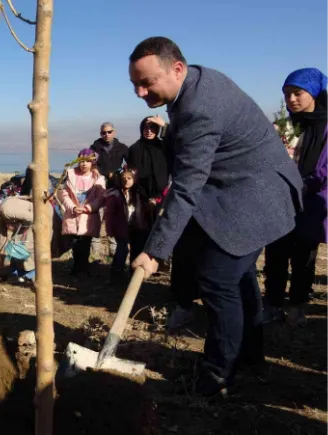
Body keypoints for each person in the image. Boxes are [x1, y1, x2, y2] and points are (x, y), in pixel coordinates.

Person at [128, 37, 302, 396]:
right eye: (135, 84)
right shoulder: (196, 80)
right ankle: (249, 357)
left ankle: (218, 373)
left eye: (147, 83)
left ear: (177, 68)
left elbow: (187, 187)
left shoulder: (199, 107)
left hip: (255, 195)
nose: (140, 93)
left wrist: (155, 250)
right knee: (238, 279)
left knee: (217, 278)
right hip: (241, 189)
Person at [263, 68, 328, 326]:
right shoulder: (284, 125)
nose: (291, 99)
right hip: (281, 200)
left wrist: (305, 185)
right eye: (287, 94)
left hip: (311, 201)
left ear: (313, 93)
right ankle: (273, 302)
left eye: (297, 93)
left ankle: (298, 303)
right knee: (275, 253)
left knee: (304, 256)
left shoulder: (324, 126)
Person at [59, 149, 106, 276]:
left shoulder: (98, 178)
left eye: (87, 161)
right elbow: (64, 194)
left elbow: (100, 197)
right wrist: (72, 207)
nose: (84, 164)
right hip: (73, 214)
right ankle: (77, 266)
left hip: (88, 217)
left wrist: (88, 208)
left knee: (85, 243)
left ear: (92, 163)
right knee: (74, 243)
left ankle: (83, 267)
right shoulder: (70, 175)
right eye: (81, 161)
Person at [104, 168, 150, 277]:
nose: (126, 181)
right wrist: (109, 229)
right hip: (121, 227)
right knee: (122, 249)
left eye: (129, 178)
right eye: (123, 178)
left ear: (134, 179)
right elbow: (109, 214)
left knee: (137, 249)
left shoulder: (139, 194)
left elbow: (144, 211)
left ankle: (134, 272)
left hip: (137, 226)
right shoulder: (115, 194)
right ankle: (116, 272)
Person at [126, 116, 170, 204]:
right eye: (146, 127)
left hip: (163, 194)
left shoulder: (164, 147)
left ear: (157, 129)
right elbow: (131, 171)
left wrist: (165, 126)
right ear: (141, 129)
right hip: (140, 196)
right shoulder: (134, 149)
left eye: (152, 127)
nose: (149, 131)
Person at [90, 122, 129, 189]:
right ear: (101, 134)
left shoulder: (122, 148)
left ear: (114, 132)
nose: (107, 134)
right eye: (104, 133)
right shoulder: (94, 148)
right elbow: (89, 163)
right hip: (98, 182)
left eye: (109, 132)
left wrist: (124, 173)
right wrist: (94, 168)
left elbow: (132, 163)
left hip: (117, 181)